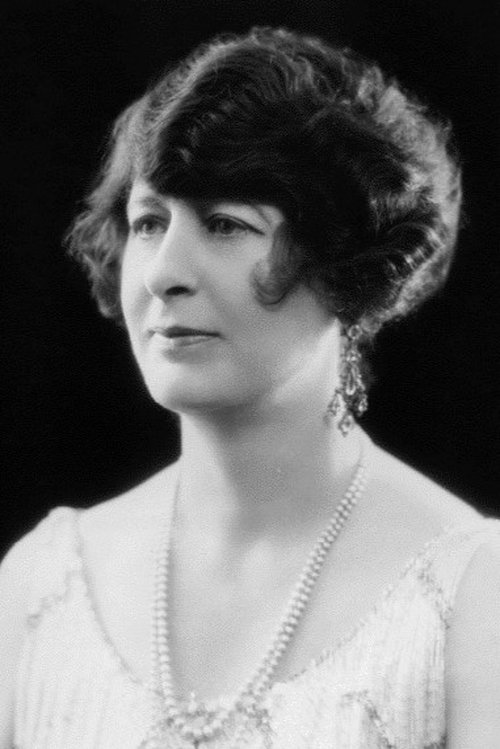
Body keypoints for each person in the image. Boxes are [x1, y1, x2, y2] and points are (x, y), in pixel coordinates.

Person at [1, 25, 499, 749]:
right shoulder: (40, 587)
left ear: (347, 268)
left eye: (226, 224)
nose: (163, 273)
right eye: (149, 222)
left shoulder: (472, 595)